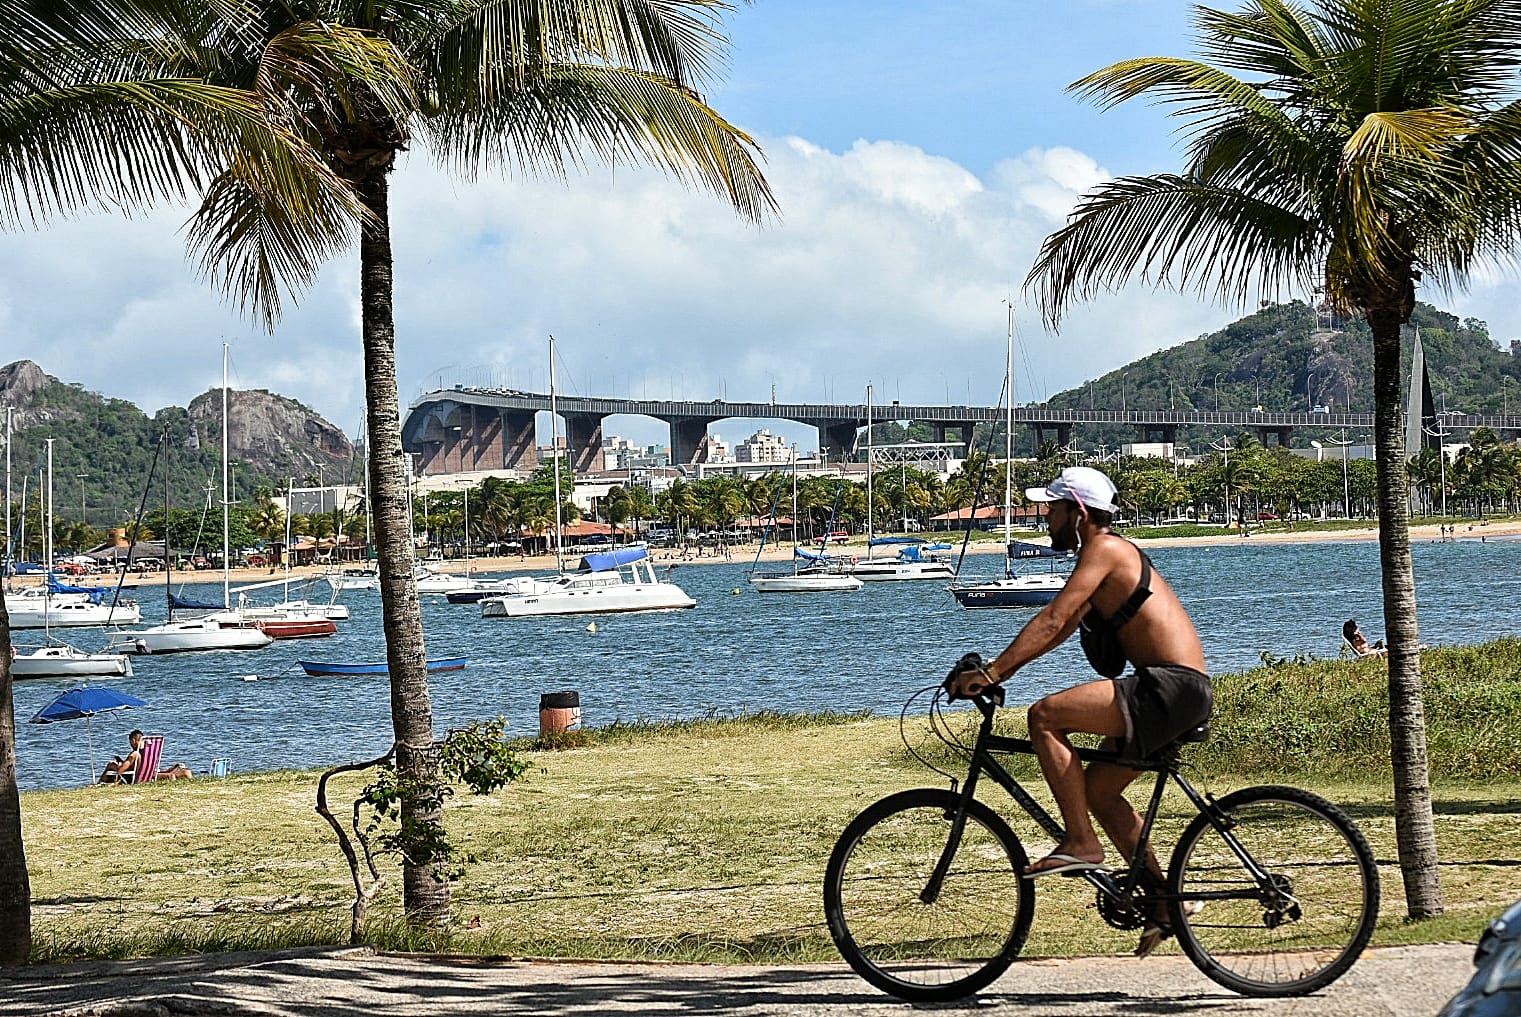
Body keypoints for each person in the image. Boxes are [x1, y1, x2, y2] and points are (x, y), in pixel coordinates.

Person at [946, 466, 1212, 958]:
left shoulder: (1106, 550)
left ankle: (1081, 842)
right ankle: (1163, 903)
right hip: (1176, 690)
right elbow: (1060, 629)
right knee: (1099, 792)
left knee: (1045, 716)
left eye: (1052, 507)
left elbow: (1051, 618)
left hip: (1169, 688)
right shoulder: (1105, 557)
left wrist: (994, 676)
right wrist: (998, 667)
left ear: (1079, 512)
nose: (1045, 517)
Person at [98, 730, 194, 784]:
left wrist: (117, 764)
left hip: (141, 778)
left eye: (131, 742)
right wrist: (174, 767)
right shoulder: (150, 753)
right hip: (152, 774)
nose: (131, 744)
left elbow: (120, 771)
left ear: (135, 740)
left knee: (111, 764)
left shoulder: (135, 754)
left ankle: (99, 784)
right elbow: (155, 770)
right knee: (186, 772)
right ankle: (191, 784)